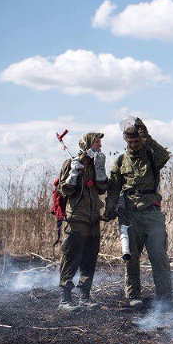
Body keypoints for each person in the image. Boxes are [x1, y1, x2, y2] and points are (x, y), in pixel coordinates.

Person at [104, 116, 172, 307]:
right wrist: (109, 210)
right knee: (131, 257)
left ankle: (165, 297)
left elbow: (165, 156)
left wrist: (146, 136)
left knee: (158, 255)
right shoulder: (119, 161)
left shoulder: (151, 155)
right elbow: (114, 189)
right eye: (130, 141)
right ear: (126, 141)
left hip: (152, 213)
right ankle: (134, 296)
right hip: (130, 214)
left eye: (136, 140)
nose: (133, 144)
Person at [57, 132, 108, 312]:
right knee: (71, 257)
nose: (99, 145)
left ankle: (84, 296)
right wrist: (73, 174)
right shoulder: (70, 163)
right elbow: (64, 191)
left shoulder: (96, 165)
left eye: (100, 142)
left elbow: (102, 189)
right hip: (76, 218)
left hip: (93, 219)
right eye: (96, 142)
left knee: (89, 258)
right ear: (86, 144)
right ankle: (65, 299)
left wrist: (100, 169)